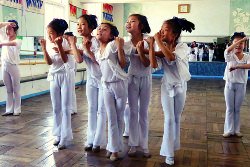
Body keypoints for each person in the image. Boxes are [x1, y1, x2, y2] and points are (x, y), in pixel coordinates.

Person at [149, 17, 195, 165]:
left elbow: (169, 57)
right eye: (161, 29)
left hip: (181, 86)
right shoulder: (160, 47)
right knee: (168, 118)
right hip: (167, 86)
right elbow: (154, 64)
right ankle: (168, 153)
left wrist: (157, 41)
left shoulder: (182, 46)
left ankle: (174, 145)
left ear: (174, 34)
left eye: (165, 30)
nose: (161, 32)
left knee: (176, 117)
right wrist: (151, 46)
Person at [40, 18, 81, 150]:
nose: (49, 36)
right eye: (48, 33)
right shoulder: (49, 43)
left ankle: (65, 137)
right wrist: (43, 48)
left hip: (66, 76)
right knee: (56, 107)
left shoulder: (67, 42)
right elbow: (49, 62)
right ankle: (57, 134)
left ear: (59, 33)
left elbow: (64, 60)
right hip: (54, 76)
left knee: (65, 107)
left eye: (51, 33)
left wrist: (59, 46)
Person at [96, 23, 127, 161]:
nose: (100, 30)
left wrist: (119, 46)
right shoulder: (98, 51)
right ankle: (113, 147)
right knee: (111, 117)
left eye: (104, 29)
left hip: (119, 84)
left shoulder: (112, 45)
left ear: (111, 35)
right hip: (106, 86)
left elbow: (122, 63)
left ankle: (113, 148)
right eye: (99, 29)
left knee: (118, 118)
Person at [77, 14, 106, 153]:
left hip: (103, 79)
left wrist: (87, 50)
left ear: (91, 27)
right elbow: (78, 60)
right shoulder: (79, 43)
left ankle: (98, 141)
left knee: (101, 110)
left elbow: (98, 62)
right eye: (78, 24)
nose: (79, 27)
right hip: (91, 79)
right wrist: (73, 45)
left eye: (82, 24)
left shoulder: (97, 42)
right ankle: (90, 139)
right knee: (91, 109)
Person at [124, 14, 152, 158]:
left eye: (132, 21)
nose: (128, 23)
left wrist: (141, 51)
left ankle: (145, 145)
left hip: (146, 78)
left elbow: (147, 63)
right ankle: (133, 144)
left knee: (143, 112)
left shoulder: (149, 41)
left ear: (141, 25)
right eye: (127, 21)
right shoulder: (125, 42)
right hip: (132, 78)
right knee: (133, 112)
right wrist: (138, 50)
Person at [222, 32, 249, 138]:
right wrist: (240, 40)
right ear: (232, 43)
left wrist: (237, 66)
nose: (239, 45)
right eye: (236, 42)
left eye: (241, 43)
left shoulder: (247, 56)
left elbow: (249, 65)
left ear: (245, 45)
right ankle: (228, 130)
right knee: (229, 108)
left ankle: (236, 130)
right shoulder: (230, 55)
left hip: (241, 85)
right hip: (229, 84)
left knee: (237, 109)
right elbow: (227, 50)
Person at [0, 20, 22, 116]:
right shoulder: (4, 37)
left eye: (9, 29)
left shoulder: (19, 39)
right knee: (8, 89)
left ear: (15, 30)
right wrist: (7, 23)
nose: (7, 31)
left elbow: (13, 44)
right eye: (6, 29)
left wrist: (2, 44)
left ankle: (17, 110)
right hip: (4, 66)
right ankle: (9, 109)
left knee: (16, 89)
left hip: (13, 66)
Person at [64, 31, 77, 115]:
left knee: (70, 90)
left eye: (67, 38)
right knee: (67, 90)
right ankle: (70, 108)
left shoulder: (73, 47)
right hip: (66, 71)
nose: (65, 39)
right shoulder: (64, 46)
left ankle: (72, 108)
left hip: (71, 70)